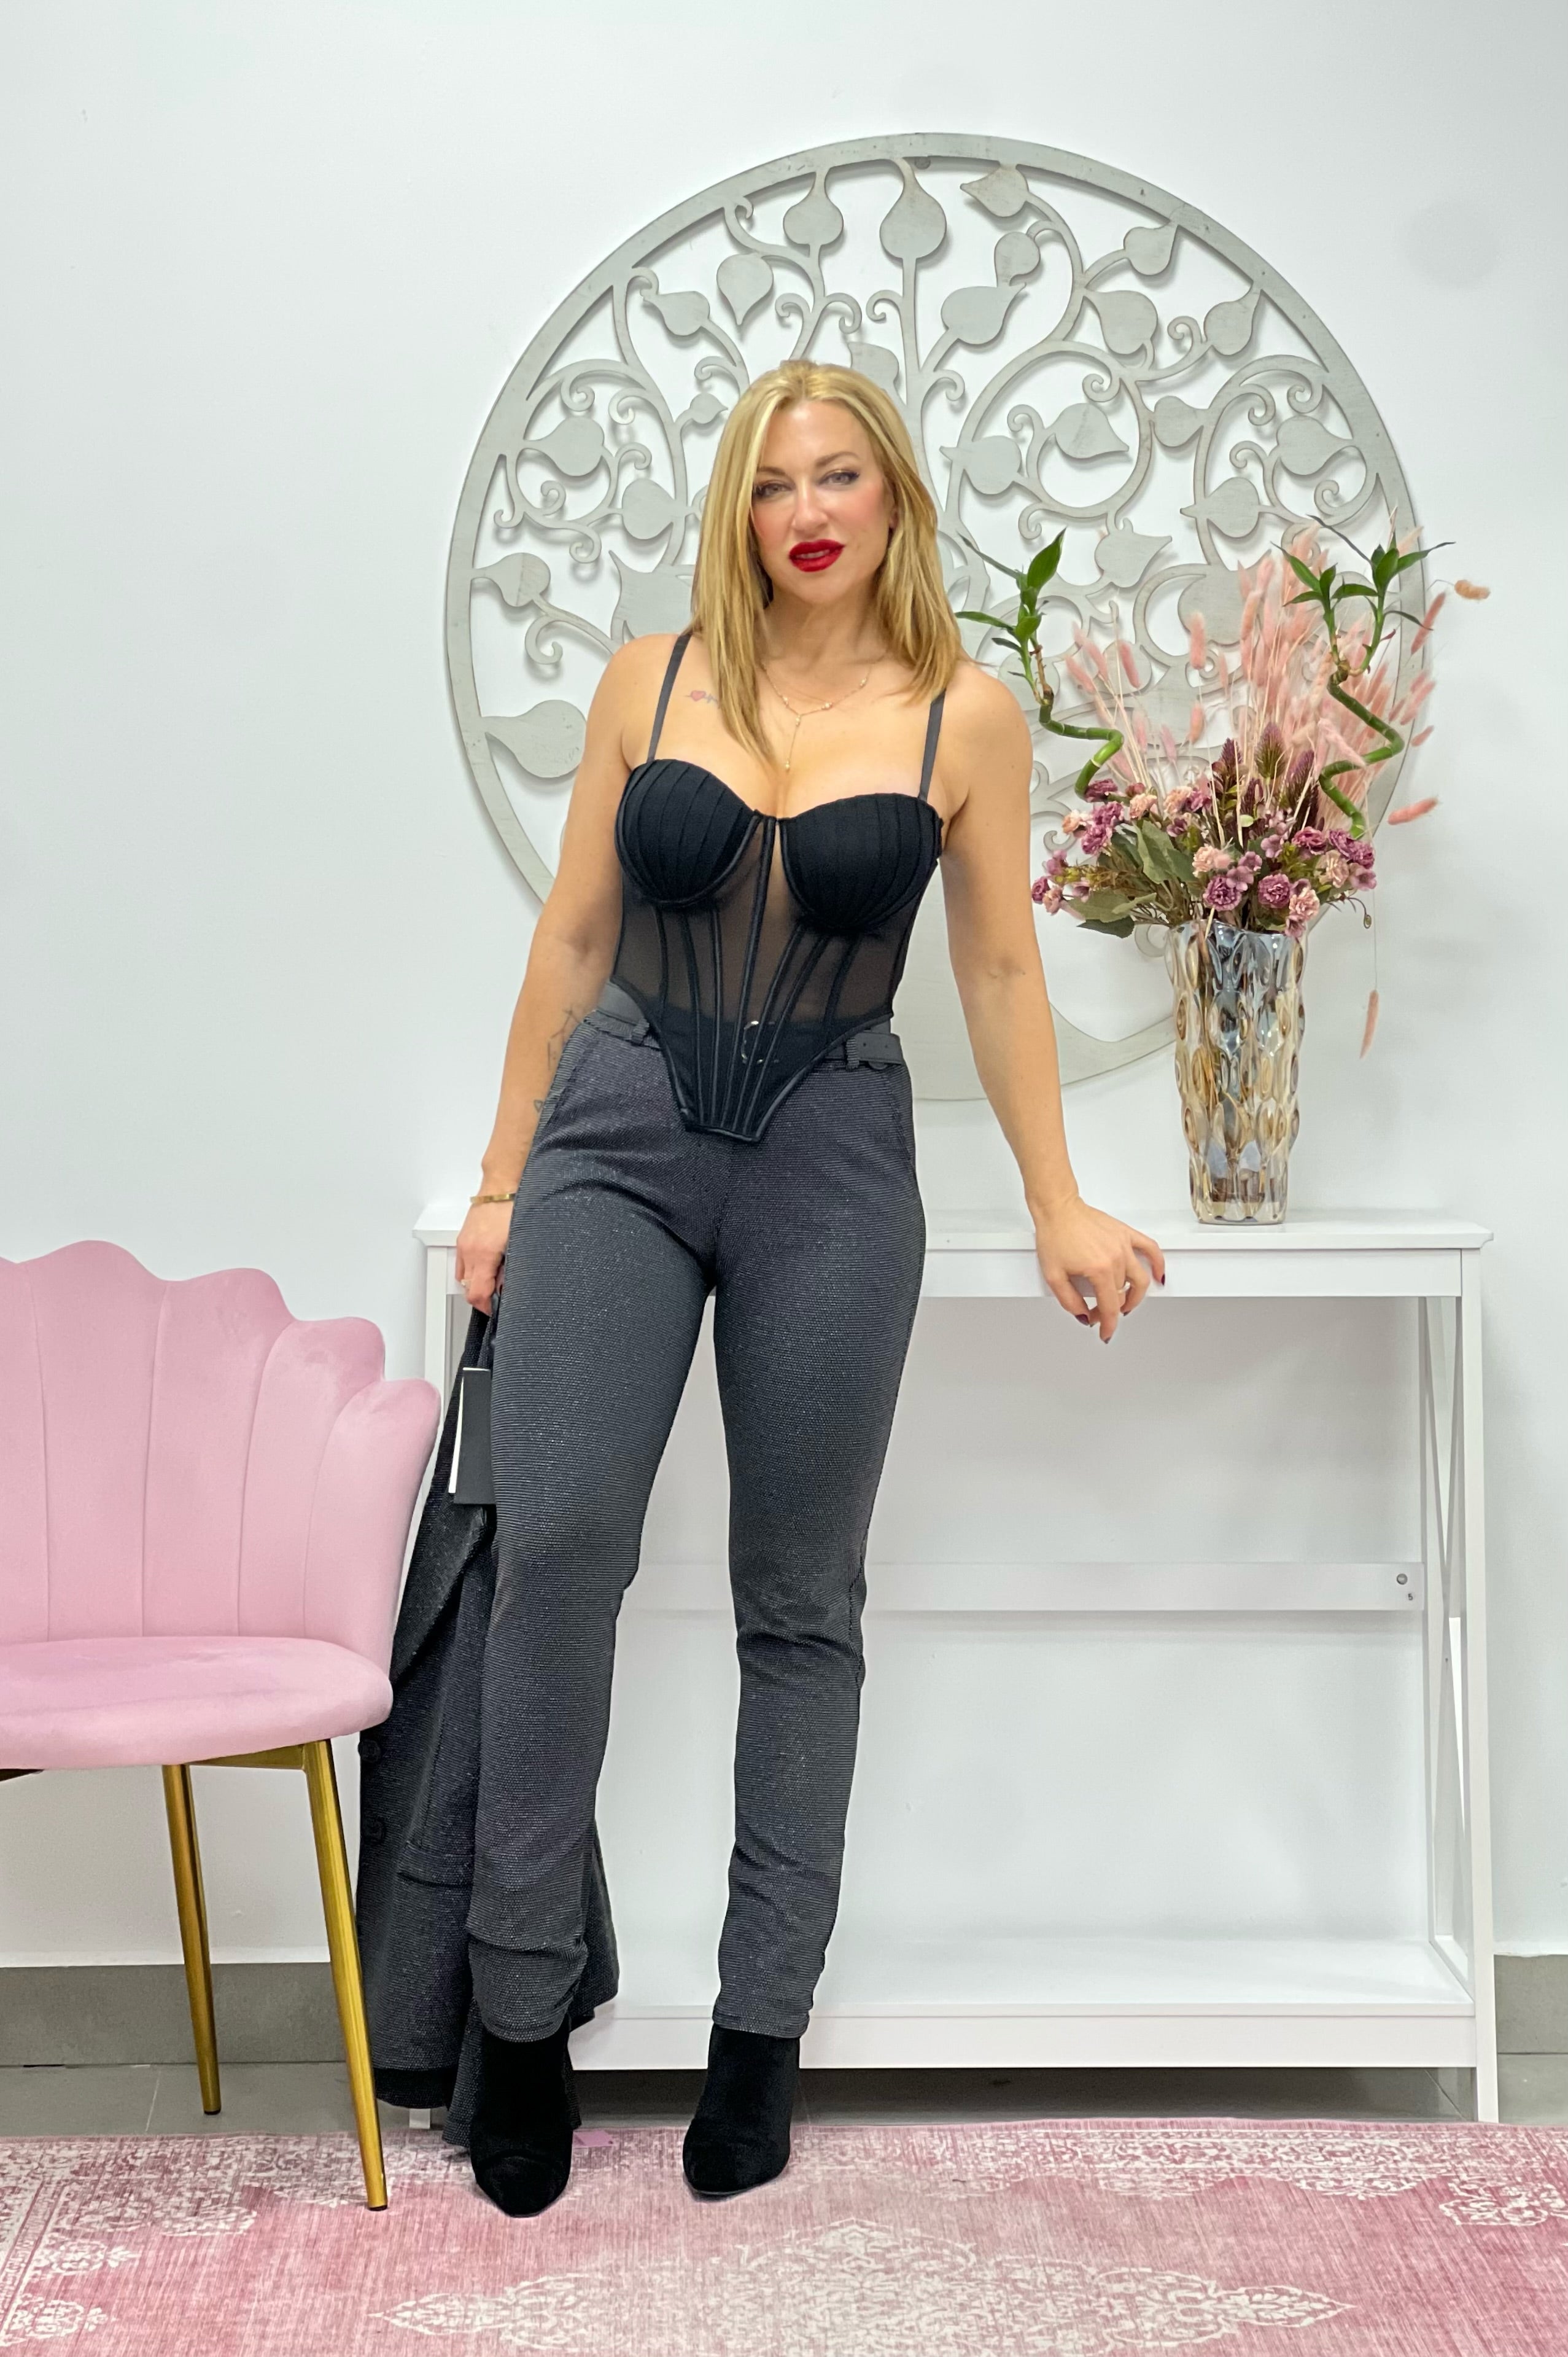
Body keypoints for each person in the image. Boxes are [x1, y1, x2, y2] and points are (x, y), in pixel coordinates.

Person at [452, 359, 1163, 2216]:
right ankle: (516, 2021)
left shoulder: (963, 716)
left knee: (799, 1597)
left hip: (834, 1157)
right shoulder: (651, 680)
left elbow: (999, 972)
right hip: (619, 1132)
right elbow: (574, 936)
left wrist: (1061, 1202)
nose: (806, 513)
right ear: (738, 511)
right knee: (561, 1553)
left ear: (893, 495)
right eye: (773, 485)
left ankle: (758, 2033)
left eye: (839, 476)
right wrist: (502, 1176)